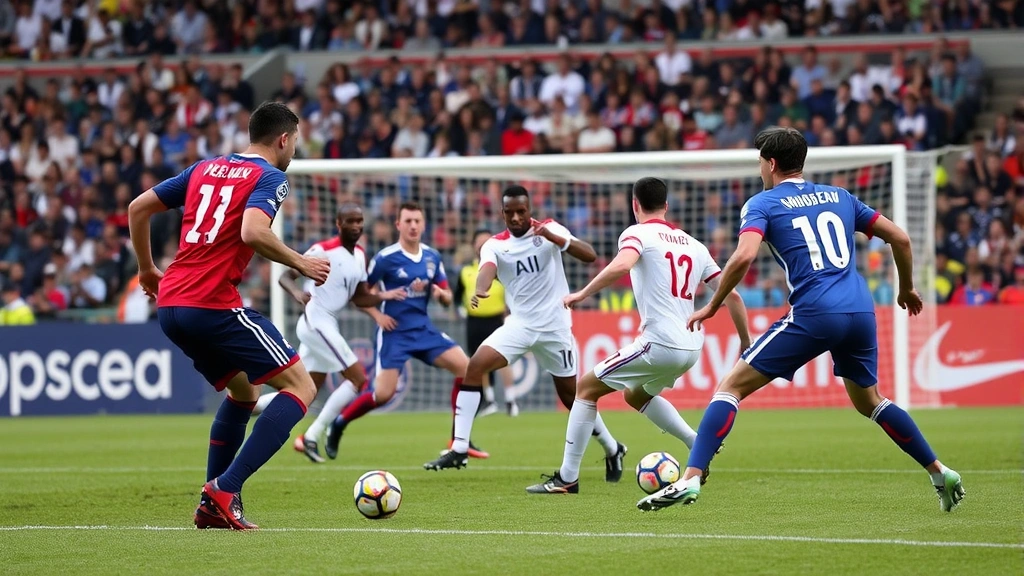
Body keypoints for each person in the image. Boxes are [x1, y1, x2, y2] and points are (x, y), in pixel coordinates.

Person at [637, 127, 964, 512]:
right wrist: (906, 288)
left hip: (816, 312)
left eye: (760, 160)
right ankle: (939, 471)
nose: (759, 167)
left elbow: (742, 257)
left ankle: (691, 478)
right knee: (870, 402)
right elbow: (901, 238)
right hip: (860, 311)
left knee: (730, 387)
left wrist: (712, 305)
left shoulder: (762, 204)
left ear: (771, 163)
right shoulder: (840, 197)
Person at [127, 101, 332, 530]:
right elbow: (253, 232)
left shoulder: (204, 168)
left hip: (170, 305)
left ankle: (211, 503)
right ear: (283, 139)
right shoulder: (271, 176)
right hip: (211, 304)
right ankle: (226, 487)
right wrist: (301, 263)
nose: (294, 150)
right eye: (295, 141)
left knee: (243, 394)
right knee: (300, 385)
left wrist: (146, 268)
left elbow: (137, 209)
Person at [526, 178, 750, 494]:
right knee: (635, 394)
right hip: (691, 347)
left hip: (659, 342)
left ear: (634, 205)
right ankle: (697, 443)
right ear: (666, 206)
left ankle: (567, 478)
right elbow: (734, 297)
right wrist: (745, 341)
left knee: (586, 388)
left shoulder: (636, 233)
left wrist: (583, 293)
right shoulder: (694, 245)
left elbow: (622, 265)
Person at [424, 186, 625, 478]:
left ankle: (611, 447)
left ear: (529, 210)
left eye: (522, 211)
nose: (517, 217)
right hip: (520, 325)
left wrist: (554, 238)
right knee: (475, 366)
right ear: (502, 213)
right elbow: (487, 269)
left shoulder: (550, 229)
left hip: (555, 327)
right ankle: (459, 448)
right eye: (510, 213)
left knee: (573, 399)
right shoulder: (494, 244)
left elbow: (590, 256)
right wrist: (481, 289)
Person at [323, 202, 488, 459]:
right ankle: (339, 424)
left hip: (423, 329)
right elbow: (361, 296)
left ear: (423, 225)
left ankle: (458, 441)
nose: (413, 226)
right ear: (398, 225)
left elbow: (445, 296)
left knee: (467, 369)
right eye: (408, 221)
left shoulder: (432, 257)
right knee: (383, 394)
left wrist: (440, 294)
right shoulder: (385, 258)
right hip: (394, 333)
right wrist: (378, 315)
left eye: (417, 221)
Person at [255, 203, 406, 463]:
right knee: (357, 379)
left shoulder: (359, 255)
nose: (356, 226)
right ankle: (314, 435)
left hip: (329, 322)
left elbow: (359, 298)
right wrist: (298, 294)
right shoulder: (321, 250)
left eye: (359, 221)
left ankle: (250, 405)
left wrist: (383, 296)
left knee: (306, 389)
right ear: (338, 224)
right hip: (316, 320)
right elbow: (284, 277)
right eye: (350, 221)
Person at [455, 229, 518, 417]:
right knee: (477, 360)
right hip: (474, 321)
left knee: (503, 360)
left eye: (486, 241)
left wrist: (510, 313)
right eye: (479, 242)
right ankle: (489, 400)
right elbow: (458, 296)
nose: (482, 245)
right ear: (473, 245)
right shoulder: (466, 271)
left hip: (497, 320)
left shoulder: (502, 269)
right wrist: (461, 310)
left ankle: (510, 400)